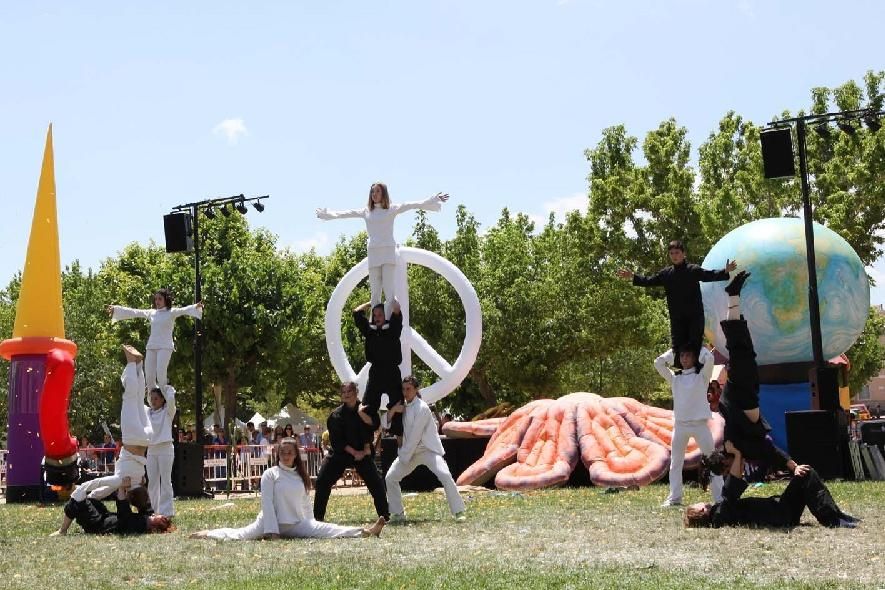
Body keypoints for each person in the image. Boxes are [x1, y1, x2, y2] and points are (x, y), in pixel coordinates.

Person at [191, 438, 385, 540]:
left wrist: (311, 524)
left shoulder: (300, 476)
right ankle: (209, 533)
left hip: (296, 524)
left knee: (329, 530)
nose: (285, 456)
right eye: (282, 453)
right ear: (278, 455)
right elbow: (266, 504)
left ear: (295, 456)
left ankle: (366, 532)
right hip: (269, 523)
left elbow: (305, 502)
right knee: (238, 535)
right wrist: (272, 532)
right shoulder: (270, 474)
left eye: (289, 453)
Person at [316, 182, 449, 317]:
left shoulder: (391, 209)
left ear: (383, 193)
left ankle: (390, 322)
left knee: (389, 291)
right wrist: (327, 215)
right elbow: (345, 214)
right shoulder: (366, 211)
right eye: (372, 192)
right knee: (375, 293)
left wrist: (434, 199)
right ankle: (375, 323)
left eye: (377, 191)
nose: (374, 194)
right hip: (374, 253)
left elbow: (412, 204)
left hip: (388, 252)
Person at [714, 271, 798, 473]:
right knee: (744, 350)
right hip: (746, 395)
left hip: (740, 398)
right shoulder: (744, 449)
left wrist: (791, 465)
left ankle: (733, 295)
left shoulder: (734, 445)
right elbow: (769, 450)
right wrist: (792, 466)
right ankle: (733, 296)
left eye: (727, 467)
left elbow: (767, 451)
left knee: (739, 350)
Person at [684, 442, 859, 529]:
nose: (700, 502)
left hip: (780, 509)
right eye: (696, 505)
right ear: (701, 511)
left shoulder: (719, 511)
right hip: (781, 514)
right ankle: (833, 520)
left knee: (806, 473)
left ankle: (836, 515)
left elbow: (731, 491)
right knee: (807, 473)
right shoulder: (719, 516)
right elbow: (730, 492)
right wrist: (737, 454)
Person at [618, 240, 736, 366]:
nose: (674, 256)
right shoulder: (666, 274)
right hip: (677, 319)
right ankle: (681, 375)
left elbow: (710, 275)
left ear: (683, 254)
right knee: (678, 348)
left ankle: (697, 372)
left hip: (694, 318)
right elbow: (649, 281)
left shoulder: (693, 270)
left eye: (677, 252)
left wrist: (725, 271)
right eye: (671, 253)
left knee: (694, 346)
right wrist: (633, 276)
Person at [69, 345, 153, 502]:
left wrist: (94, 498)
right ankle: (130, 362)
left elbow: (103, 491)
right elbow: (98, 483)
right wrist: (79, 493)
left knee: (138, 398)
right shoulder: (122, 480)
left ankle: (138, 365)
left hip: (146, 439)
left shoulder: (141, 480)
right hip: (133, 438)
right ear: (128, 494)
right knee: (129, 398)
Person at [386, 376, 466, 522]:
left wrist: (403, 456)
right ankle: (397, 513)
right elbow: (385, 424)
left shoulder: (422, 408)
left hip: (428, 450)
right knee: (390, 478)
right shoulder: (401, 406)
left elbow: (415, 436)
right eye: (403, 389)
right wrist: (393, 411)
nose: (405, 392)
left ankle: (459, 511)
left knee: (445, 475)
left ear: (416, 389)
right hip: (409, 452)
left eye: (408, 389)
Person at [654, 344, 723, 507]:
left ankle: (719, 497)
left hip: (700, 425)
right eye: (682, 356)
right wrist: (675, 351)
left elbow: (710, 359)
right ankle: (675, 497)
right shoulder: (675, 378)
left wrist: (697, 346)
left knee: (713, 460)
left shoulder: (702, 377)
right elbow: (658, 363)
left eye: (688, 356)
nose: (685, 359)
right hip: (680, 426)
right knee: (676, 462)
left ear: (695, 358)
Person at [313, 382, 390, 523]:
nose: (346, 394)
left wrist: (365, 450)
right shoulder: (335, 416)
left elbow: (374, 425)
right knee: (322, 481)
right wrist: (354, 453)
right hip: (341, 452)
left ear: (356, 392)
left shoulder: (366, 409)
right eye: (343, 392)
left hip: (363, 452)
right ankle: (318, 519)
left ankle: (384, 516)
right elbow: (338, 442)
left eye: (349, 391)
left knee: (376, 483)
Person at [107, 288, 204, 391]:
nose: (157, 301)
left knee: (161, 375)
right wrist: (116, 310)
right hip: (152, 346)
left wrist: (196, 307)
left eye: (160, 299)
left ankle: (167, 400)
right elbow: (134, 312)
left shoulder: (171, 312)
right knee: (149, 378)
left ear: (166, 300)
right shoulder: (152, 313)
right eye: (156, 299)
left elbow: (184, 310)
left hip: (165, 347)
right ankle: (153, 403)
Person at [353, 299, 405, 438]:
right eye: (374, 315)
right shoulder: (370, 331)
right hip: (376, 373)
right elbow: (357, 313)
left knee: (398, 407)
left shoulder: (393, 330)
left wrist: (389, 301)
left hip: (392, 373)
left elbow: (397, 309)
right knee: (366, 408)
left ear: (385, 316)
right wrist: (370, 302)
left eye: (380, 315)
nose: (377, 318)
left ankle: (400, 440)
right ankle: (367, 440)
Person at [53, 476, 172, 536]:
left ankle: (62, 531)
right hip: (104, 516)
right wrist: (139, 483)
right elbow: (144, 503)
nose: (163, 516)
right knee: (90, 498)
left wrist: (121, 486)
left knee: (77, 497)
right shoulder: (147, 517)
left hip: (97, 524)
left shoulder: (140, 525)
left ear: (155, 527)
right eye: (164, 517)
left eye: (163, 520)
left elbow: (124, 514)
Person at [146, 384, 176, 517]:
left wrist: (165, 387)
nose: (153, 401)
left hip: (165, 448)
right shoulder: (147, 413)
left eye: (156, 398)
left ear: (162, 399)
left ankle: (166, 512)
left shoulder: (168, 412)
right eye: (152, 398)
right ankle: (153, 509)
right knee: (152, 482)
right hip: (151, 449)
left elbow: (171, 398)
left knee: (165, 481)